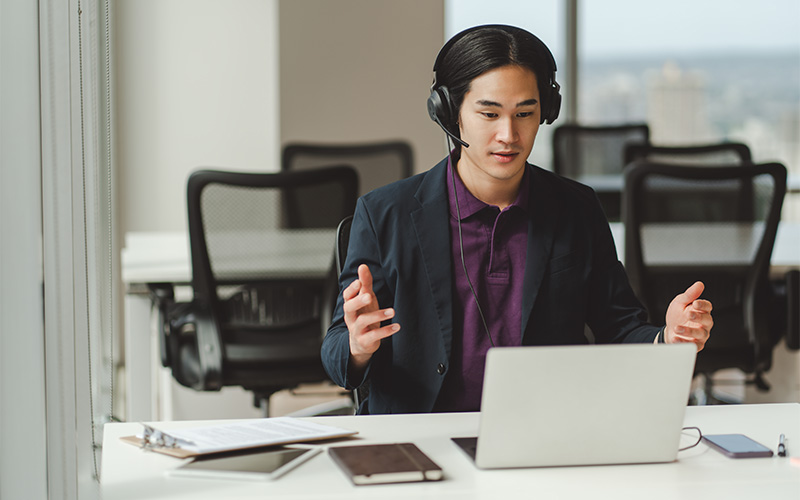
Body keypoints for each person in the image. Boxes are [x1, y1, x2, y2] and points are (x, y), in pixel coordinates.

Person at [321, 24, 713, 415]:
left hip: (544, 431)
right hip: (421, 434)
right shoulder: (384, 213)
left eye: (524, 113)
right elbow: (337, 351)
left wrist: (668, 338)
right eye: (489, 114)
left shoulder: (576, 208)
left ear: (546, 112)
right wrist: (358, 346)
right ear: (449, 112)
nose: (508, 134)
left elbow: (621, 328)